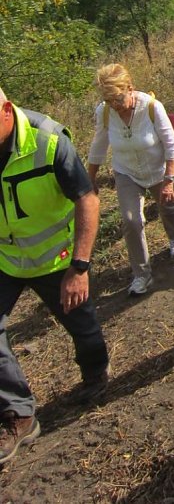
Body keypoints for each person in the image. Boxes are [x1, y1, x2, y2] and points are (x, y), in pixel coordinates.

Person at [0, 88, 110, 465]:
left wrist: (79, 268)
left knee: (84, 329)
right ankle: (20, 413)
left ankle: (96, 373)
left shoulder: (48, 140)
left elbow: (87, 198)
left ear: (4, 113)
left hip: (57, 259)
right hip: (6, 260)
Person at [87, 64, 174, 296]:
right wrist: (90, 179)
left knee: (167, 204)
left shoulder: (151, 107)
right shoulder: (104, 112)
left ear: (130, 88)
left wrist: (169, 179)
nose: (115, 106)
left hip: (157, 167)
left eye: (119, 99)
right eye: (110, 101)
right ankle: (142, 274)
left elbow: (172, 145)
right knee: (131, 220)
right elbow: (99, 146)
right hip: (127, 172)